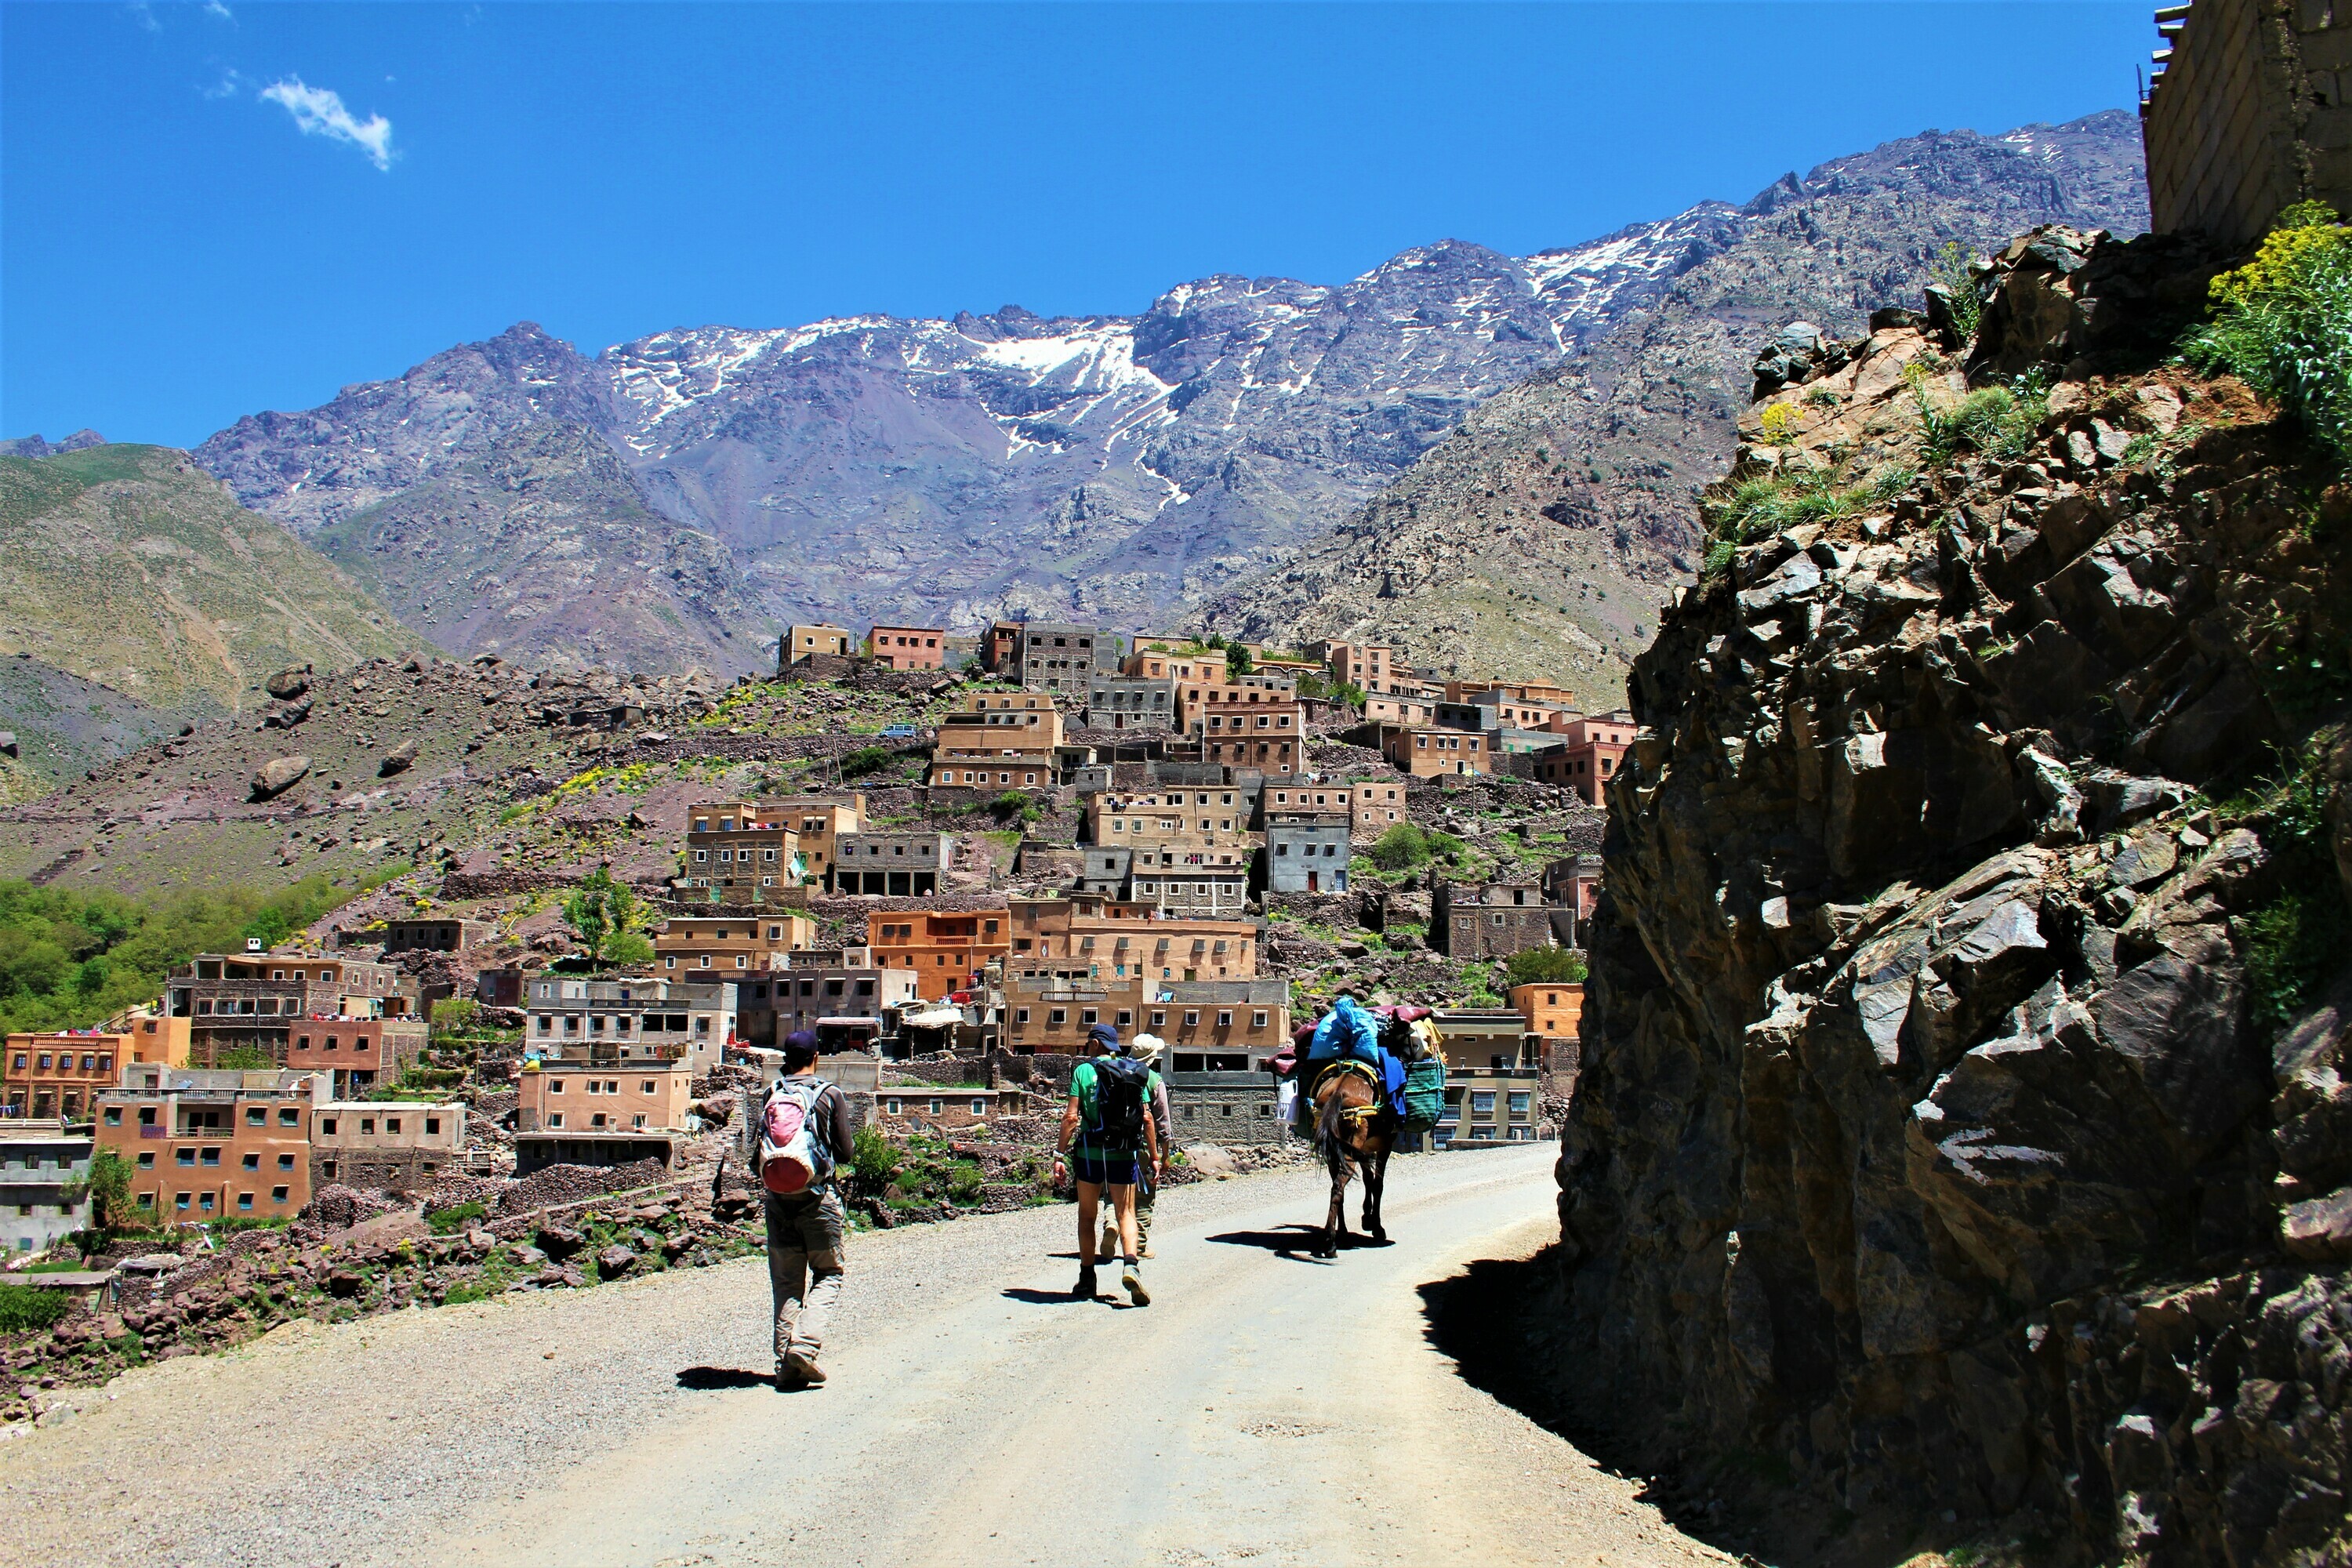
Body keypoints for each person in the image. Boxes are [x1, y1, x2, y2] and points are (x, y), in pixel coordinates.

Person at [759, 1029, 854, 1389]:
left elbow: (758, 1152)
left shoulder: (772, 1092)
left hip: (778, 1201)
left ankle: (786, 1365)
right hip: (817, 1201)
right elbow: (845, 1153)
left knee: (786, 1285)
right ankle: (804, 1347)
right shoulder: (829, 1094)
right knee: (829, 1274)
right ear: (816, 1057)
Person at [1054, 1022, 1160, 1306]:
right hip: (1123, 1153)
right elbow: (1147, 1118)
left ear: (1097, 1044)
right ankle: (1131, 1266)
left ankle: (1087, 1278)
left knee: (1087, 1216)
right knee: (1126, 1213)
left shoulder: (1083, 1071)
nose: (1086, 1047)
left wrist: (1059, 1154)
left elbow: (1071, 1117)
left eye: (1089, 1043)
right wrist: (1155, 1157)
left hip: (1090, 1152)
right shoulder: (1133, 1070)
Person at [1100, 1034, 1171, 1261]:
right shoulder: (1153, 1080)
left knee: (1114, 1194)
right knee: (1144, 1197)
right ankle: (1138, 1247)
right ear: (1151, 1057)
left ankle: (1112, 1223)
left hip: (1112, 1143)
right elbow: (1161, 1122)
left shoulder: (1115, 1072)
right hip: (1140, 1146)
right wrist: (1161, 1155)